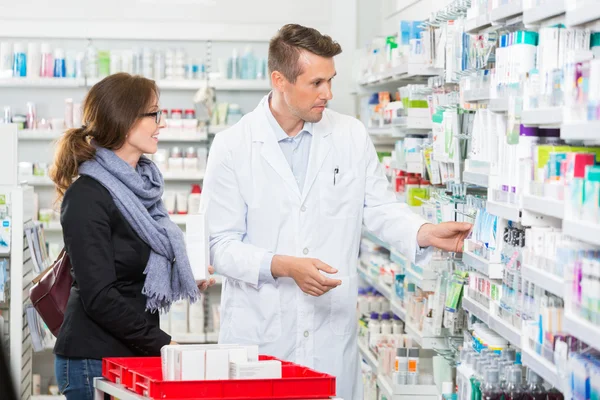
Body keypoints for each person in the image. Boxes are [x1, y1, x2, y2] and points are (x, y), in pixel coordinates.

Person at [201, 24, 471, 400]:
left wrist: (423, 232)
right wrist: (282, 265)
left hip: (329, 337)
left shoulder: (350, 135)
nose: (328, 93)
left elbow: (379, 207)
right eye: (316, 83)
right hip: (260, 336)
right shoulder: (233, 146)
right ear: (280, 80)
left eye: (330, 80)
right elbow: (219, 245)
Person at [49, 73, 214, 400]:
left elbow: (134, 269)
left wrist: (185, 274)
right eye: (153, 114)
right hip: (92, 360)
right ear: (124, 121)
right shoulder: (87, 196)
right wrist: (163, 343)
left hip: (132, 353)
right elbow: (99, 296)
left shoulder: (143, 190)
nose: (161, 123)